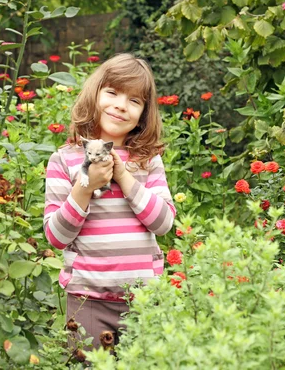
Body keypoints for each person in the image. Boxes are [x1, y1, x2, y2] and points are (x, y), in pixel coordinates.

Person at [43, 53, 176, 351]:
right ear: (95, 94)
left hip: (143, 300)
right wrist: (85, 186)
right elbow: (57, 236)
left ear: (143, 114)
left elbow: (164, 223)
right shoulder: (64, 160)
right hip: (87, 300)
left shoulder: (147, 161)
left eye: (134, 101)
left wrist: (125, 177)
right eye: (112, 93)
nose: (120, 105)